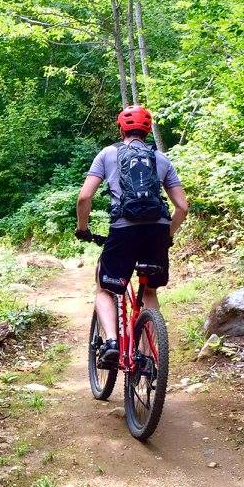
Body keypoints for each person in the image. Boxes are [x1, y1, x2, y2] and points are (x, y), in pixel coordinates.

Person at [75, 105, 189, 369]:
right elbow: (182, 207)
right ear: (147, 131)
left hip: (124, 230)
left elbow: (85, 197)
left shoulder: (107, 154)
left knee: (105, 288)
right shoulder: (161, 159)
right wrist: (167, 235)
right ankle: (149, 356)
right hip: (157, 230)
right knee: (149, 289)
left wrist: (83, 228)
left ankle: (112, 343)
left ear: (121, 128)